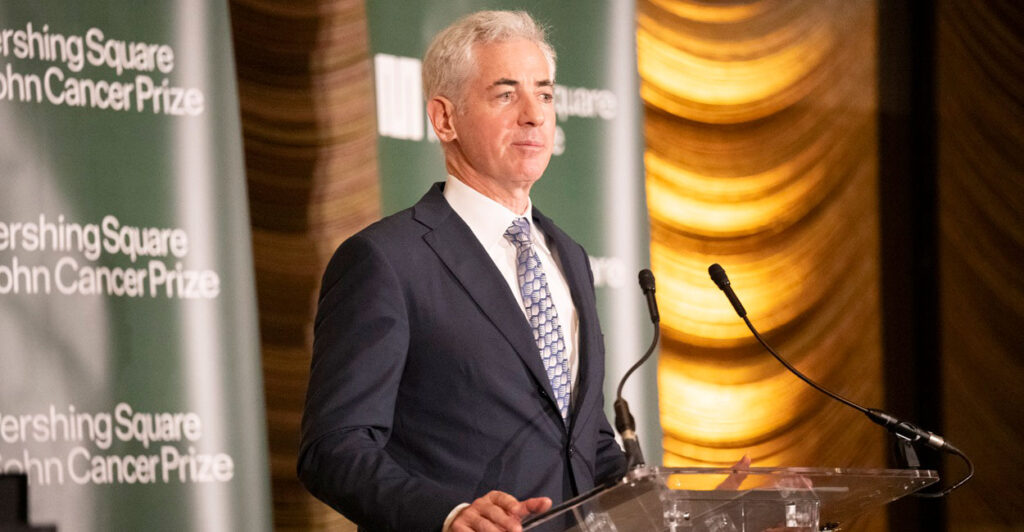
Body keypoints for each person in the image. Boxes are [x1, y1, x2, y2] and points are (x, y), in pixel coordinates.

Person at [297, 10, 626, 531]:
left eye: (543, 93)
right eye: (505, 94)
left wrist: (671, 507)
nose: (534, 115)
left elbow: (583, 440)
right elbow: (334, 448)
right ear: (444, 119)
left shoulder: (569, 255)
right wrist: (447, 516)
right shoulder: (386, 260)